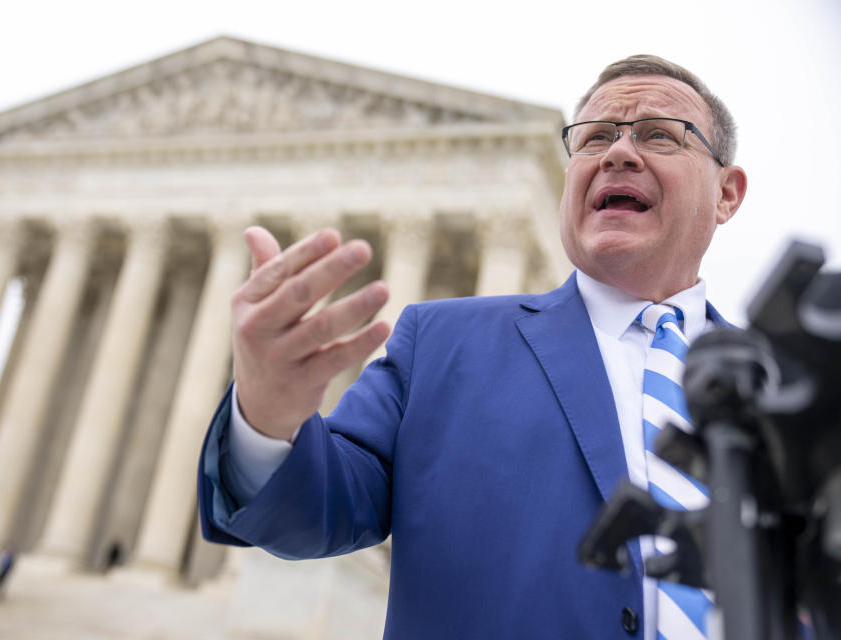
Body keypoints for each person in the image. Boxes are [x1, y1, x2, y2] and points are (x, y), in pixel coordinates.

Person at [197, 55, 748, 640]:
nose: (618, 152)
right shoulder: (438, 346)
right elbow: (318, 512)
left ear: (726, 193)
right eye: (594, 138)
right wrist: (266, 418)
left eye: (659, 135)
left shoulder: (795, 390)